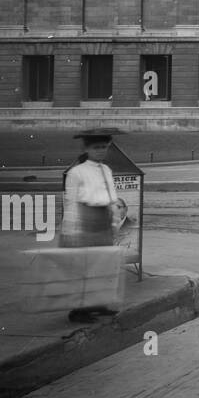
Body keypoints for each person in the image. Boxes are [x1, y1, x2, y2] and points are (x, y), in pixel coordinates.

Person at [59, 130, 123, 323]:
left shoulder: (106, 170)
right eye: (96, 147)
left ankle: (97, 304)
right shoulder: (76, 172)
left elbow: (113, 198)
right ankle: (79, 310)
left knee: (101, 264)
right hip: (84, 220)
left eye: (104, 147)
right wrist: (70, 230)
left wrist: (114, 221)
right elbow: (70, 202)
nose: (100, 151)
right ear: (86, 148)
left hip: (103, 219)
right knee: (83, 267)